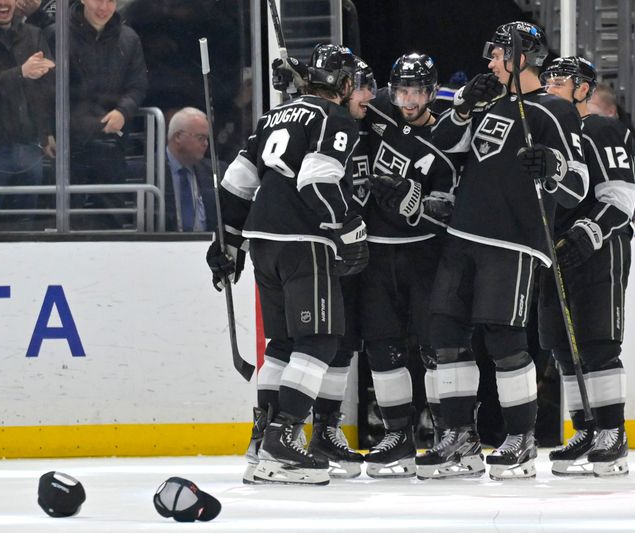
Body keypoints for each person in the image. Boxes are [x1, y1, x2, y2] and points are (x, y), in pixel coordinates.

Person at [416, 21, 588, 480]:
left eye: (498, 55)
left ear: (522, 58)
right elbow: (441, 149)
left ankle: (521, 438)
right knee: (445, 336)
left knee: (504, 340)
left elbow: (578, 186)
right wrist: (463, 107)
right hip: (463, 237)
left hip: (513, 243)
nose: (490, 63)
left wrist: (552, 165)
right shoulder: (490, 104)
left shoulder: (555, 110)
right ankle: (460, 439)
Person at [207, 43, 369, 486]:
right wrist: (347, 226)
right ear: (344, 83)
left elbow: (238, 182)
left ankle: (262, 443)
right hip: (303, 239)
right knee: (318, 340)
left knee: (282, 343)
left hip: (262, 239)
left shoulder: (272, 116)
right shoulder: (333, 118)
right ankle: (283, 441)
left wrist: (227, 242)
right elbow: (316, 179)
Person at [357, 52, 458, 478]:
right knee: (383, 346)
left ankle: (446, 432)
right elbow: (338, 100)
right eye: (401, 90)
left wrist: (415, 204)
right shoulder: (375, 107)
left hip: (425, 253)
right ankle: (396, 434)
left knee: (435, 347)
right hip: (376, 252)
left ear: (431, 92)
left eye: (417, 91)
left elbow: (450, 205)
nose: (408, 100)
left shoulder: (450, 133)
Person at [540, 56, 635, 476]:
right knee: (564, 347)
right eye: (549, 79)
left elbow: (620, 198)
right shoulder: (545, 131)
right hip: (553, 251)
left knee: (597, 344)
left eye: (563, 80)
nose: (553, 85)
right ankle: (587, 427)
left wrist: (588, 232)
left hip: (600, 248)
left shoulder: (601, 127)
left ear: (584, 89)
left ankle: (612, 431)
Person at [45, 0, 147, 226]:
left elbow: (138, 85)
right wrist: (48, 132)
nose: (104, 7)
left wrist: (123, 111)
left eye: (110, 1)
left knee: (111, 214)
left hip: (110, 140)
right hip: (68, 143)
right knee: (64, 215)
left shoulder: (129, 39)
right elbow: (45, 89)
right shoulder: (56, 34)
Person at [0, 0, 55, 227]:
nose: (1, 3)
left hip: (29, 145)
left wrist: (46, 132)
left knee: (25, 224)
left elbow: (46, 89)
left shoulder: (33, 34)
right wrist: (20, 72)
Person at [164, 107, 218, 232]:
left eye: (207, 138)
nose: (206, 144)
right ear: (178, 137)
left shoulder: (215, 171)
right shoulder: (150, 171)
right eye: (200, 138)